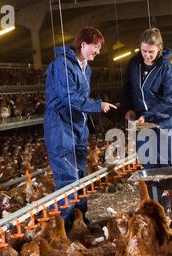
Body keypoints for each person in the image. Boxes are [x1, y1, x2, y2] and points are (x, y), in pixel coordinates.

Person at [44, 27, 117, 231]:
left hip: (77, 128)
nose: (98, 51)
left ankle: (80, 222)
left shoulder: (86, 68)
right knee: (68, 181)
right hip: (60, 127)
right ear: (83, 44)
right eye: (96, 46)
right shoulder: (62, 64)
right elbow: (69, 97)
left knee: (80, 177)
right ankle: (64, 230)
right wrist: (97, 105)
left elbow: (81, 99)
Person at [121, 27, 172, 169]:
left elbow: (171, 100)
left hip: (165, 123)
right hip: (143, 125)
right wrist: (128, 108)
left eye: (151, 52)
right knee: (149, 166)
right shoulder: (134, 64)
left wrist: (148, 115)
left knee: (167, 168)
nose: (147, 55)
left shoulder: (166, 68)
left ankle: (170, 192)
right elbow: (127, 88)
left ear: (159, 48)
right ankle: (153, 192)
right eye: (144, 51)